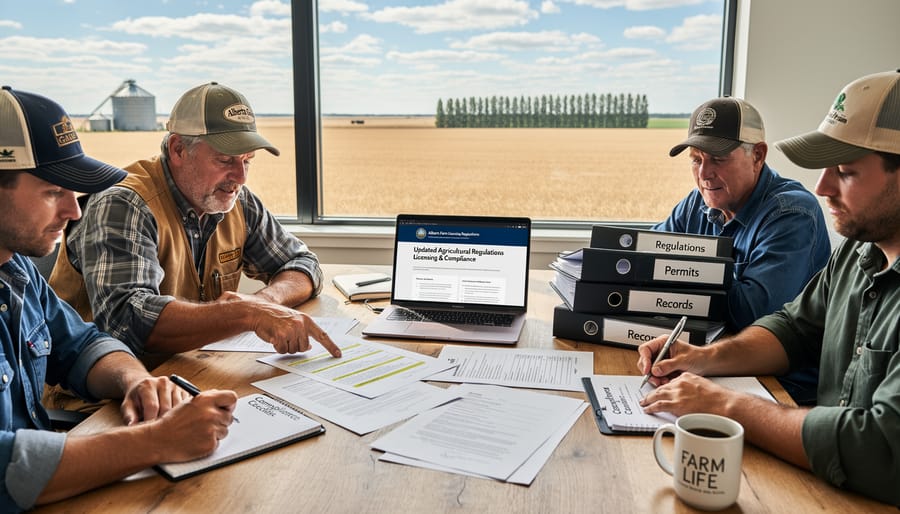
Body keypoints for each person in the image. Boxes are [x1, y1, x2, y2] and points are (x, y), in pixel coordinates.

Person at [637, 70, 900, 505]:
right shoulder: (858, 253)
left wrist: (725, 405)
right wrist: (704, 359)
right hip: (819, 477)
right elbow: (792, 327)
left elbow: (876, 446)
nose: (822, 187)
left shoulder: (790, 212)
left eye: (846, 171)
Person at [0, 86, 238, 511]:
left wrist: (136, 380)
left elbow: (84, 346)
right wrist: (153, 442)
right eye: (54, 192)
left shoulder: (16, 273)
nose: (74, 212)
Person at [50, 82, 341, 367]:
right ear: (178, 149)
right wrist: (246, 314)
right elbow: (128, 321)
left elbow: (302, 263)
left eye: (247, 160)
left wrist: (267, 301)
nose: (240, 177)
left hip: (192, 373)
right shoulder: (124, 204)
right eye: (225, 159)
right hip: (107, 402)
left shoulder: (236, 200)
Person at [656, 96, 831, 404]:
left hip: (780, 389)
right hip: (712, 362)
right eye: (696, 160)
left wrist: (683, 266)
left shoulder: (792, 213)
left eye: (718, 159)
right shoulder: (697, 202)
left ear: (758, 156)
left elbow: (751, 316)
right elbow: (644, 262)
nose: (704, 174)